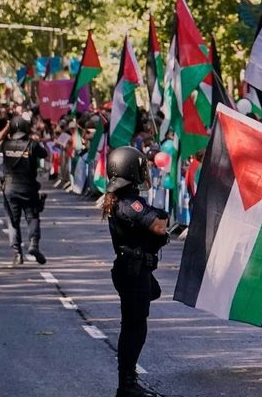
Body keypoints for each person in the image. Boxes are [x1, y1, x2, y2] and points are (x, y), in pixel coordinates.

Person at [103, 146, 169, 397]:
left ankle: (127, 382)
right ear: (131, 171)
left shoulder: (123, 198)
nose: (146, 172)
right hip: (133, 271)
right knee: (134, 327)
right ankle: (127, 384)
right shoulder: (130, 204)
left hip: (134, 269)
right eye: (142, 168)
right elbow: (159, 226)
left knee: (136, 320)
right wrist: (161, 214)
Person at [0, 115, 48, 265]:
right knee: (33, 218)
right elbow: (45, 154)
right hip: (29, 188)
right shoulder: (33, 145)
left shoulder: (5, 145)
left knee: (13, 221)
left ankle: (17, 253)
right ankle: (34, 245)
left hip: (10, 189)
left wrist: (6, 128)